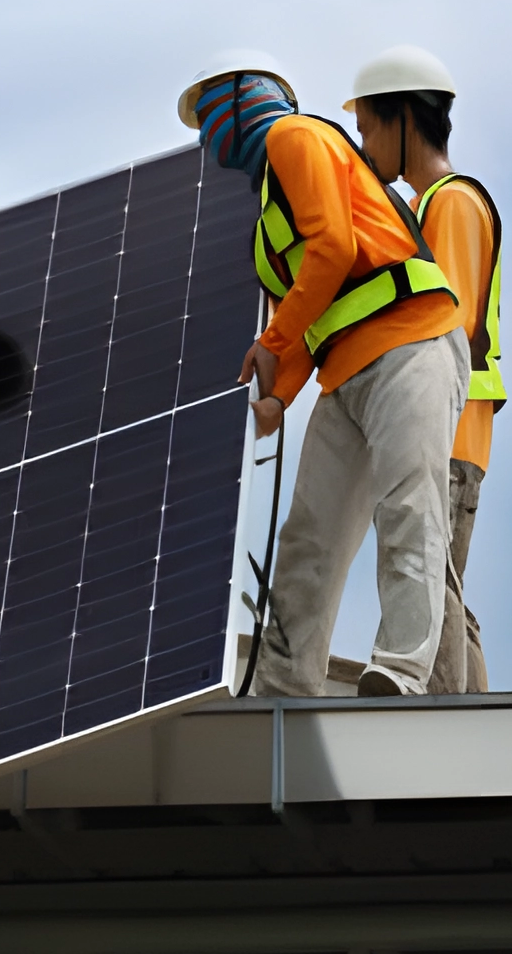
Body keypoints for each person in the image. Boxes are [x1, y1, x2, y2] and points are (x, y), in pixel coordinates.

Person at [178, 49, 466, 697]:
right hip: (346, 377)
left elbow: (334, 248)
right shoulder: (265, 229)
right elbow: (312, 318)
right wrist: (277, 397)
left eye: (206, 117)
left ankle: (399, 671)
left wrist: (270, 343)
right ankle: (283, 686)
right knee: (309, 537)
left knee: (408, 508)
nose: (204, 138)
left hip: (411, 343)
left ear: (239, 99)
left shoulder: (294, 135)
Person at [344, 46, 501, 693]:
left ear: (404, 118)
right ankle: (482, 739)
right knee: (442, 592)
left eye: (368, 126)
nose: (361, 142)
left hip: (446, 427)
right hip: (451, 427)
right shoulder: (430, 203)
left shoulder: (450, 203)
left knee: (427, 583)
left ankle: (443, 741)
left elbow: (446, 325)